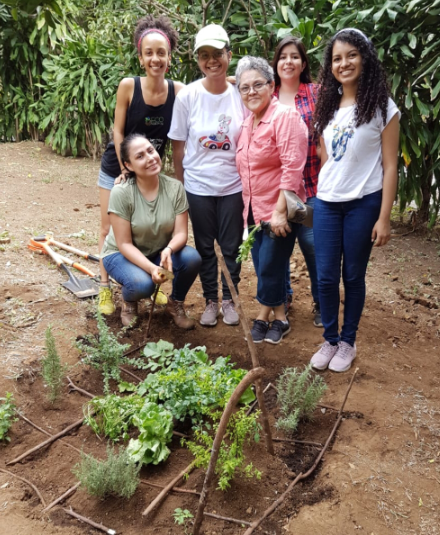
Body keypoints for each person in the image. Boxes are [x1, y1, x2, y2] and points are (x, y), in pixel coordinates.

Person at [310, 28, 400, 372]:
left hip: (364, 202)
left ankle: (348, 342)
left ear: (365, 58)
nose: (343, 63)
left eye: (351, 55)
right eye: (336, 58)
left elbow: (391, 166)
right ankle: (330, 339)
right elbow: (326, 155)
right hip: (327, 202)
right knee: (326, 277)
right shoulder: (328, 105)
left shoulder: (382, 107)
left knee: (353, 276)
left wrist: (384, 216)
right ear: (330, 66)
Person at [97, 15, 184, 315]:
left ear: (169, 57)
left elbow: (207, 88)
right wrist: (124, 167)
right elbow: (118, 130)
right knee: (109, 228)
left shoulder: (179, 90)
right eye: (149, 53)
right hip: (118, 166)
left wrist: (231, 80)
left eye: (161, 52)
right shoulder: (128, 86)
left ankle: (149, 279)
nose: (155, 58)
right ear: (141, 57)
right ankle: (105, 288)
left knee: (151, 231)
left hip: (149, 166)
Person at [168, 24, 248, 328]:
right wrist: (181, 186)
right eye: (204, 55)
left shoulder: (240, 94)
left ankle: (230, 298)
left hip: (233, 185)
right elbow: (178, 146)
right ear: (197, 60)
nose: (211, 60)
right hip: (198, 185)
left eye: (217, 53)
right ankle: (211, 300)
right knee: (204, 248)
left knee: (231, 246)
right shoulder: (187, 96)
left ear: (229, 54)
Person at [235, 56, 308, 344]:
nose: (251, 92)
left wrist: (279, 212)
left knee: (268, 265)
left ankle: (262, 316)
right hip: (254, 211)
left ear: (272, 85)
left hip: (280, 210)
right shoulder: (247, 123)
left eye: (257, 85)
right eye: (244, 88)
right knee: (271, 266)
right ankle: (281, 318)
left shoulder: (284, 117)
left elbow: (293, 166)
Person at [100, 134, 201, 329]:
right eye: (140, 156)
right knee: (143, 285)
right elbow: (124, 244)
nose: (150, 158)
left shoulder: (174, 188)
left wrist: (169, 250)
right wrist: (152, 269)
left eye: (150, 151)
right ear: (128, 165)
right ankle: (129, 302)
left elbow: (181, 233)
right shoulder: (122, 192)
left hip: (157, 252)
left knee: (191, 259)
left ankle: (175, 304)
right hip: (120, 254)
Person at [272, 36, 322, 327]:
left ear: (303, 63)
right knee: (277, 248)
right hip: (278, 191)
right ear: (275, 64)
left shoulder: (318, 93)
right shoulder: (268, 95)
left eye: (294, 57)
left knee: (314, 246)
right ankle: (283, 298)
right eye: (282, 57)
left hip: (312, 187)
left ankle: (321, 300)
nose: (288, 62)